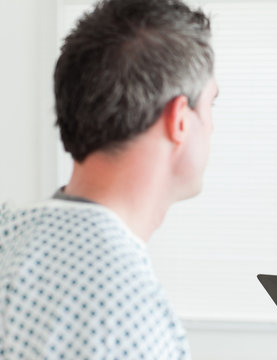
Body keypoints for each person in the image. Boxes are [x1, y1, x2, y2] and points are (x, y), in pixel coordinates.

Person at [0, 0, 217, 358]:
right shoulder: (130, 314)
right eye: (211, 105)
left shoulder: (9, 233)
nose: (212, 127)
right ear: (180, 119)